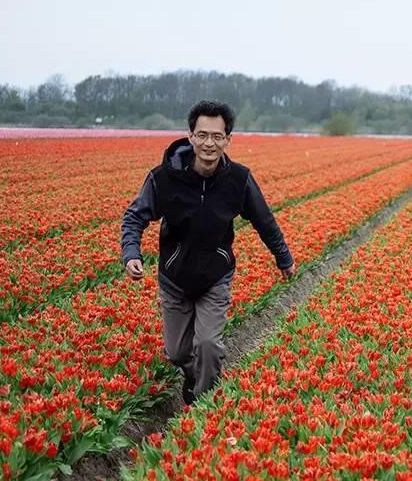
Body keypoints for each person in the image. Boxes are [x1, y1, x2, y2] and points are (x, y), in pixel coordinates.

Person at [121, 100, 296, 404]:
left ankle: (203, 406)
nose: (209, 143)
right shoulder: (163, 177)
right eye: (202, 135)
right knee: (176, 353)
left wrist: (284, 258)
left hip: (215, 276)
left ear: (228, 139)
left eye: (217, 136)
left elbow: (263, 220)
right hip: (174, 278)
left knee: (208, 345)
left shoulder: (238, 179)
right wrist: (131, 253)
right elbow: (135, 216)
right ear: (190, 136)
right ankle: (195, 374)